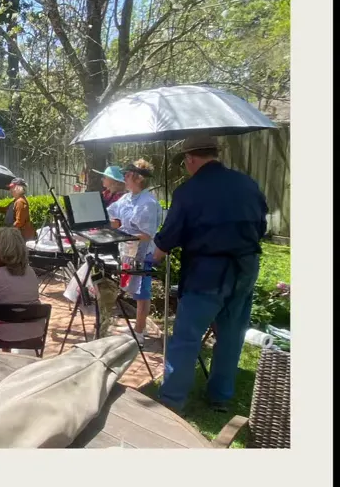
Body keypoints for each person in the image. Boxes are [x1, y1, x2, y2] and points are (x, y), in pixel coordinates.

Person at [153, 136, 268, 415]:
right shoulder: (248, 183)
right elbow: (261, 227)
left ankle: (171, 400)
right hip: (245, 267)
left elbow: (167, 240)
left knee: (187, 337)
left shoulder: (188, 191)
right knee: (231, 334)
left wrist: (150, 259)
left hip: (208, 272)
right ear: (215, 154)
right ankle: (220, 395)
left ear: (191, 159)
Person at [106, 159, 161, 344]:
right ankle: (140, 325)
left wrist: (123, 235)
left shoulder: (148, 202)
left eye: (127, 175)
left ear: (138, 178)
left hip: (143, 251)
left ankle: (138, 331)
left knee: (142, 290)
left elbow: (147, 233)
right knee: (133, 288)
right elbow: (113, 215)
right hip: (128, 249)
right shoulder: (126, 198)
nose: (124, 178)